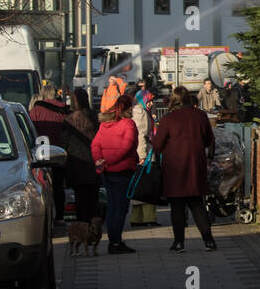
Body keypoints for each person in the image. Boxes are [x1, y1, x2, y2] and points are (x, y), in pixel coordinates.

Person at [153, 84, 216, 253]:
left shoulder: (168, 119)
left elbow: (158, 145)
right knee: (197, 204)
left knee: (177, 206)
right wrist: (208, 156)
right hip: (196, 165)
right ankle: (208, 240)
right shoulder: (200, 116)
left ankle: (179, 242)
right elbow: (209, 140)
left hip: (175, 167)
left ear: (174, 99)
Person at [90, 93, 139, 255]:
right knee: (121, 208)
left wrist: (100, 161)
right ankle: (115, 243)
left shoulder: (104, 125)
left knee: (112, 207)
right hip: (122, 172)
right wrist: (108, 161)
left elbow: (95, 145)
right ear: (127, 108)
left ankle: (114, 241)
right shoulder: (128, 124)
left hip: (106, 173)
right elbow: (126, 148)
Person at [29, 90, 69, 225]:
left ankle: (44, 217)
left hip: (42, 154)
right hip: (60, 153)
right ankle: (60, 216)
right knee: (58, 186)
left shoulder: (36, 110)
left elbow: (31, 131)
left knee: (42, 187)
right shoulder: (63, 109)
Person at [62, 88, 100, 225]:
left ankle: (82, 223)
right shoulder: (93, 117)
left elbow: (64, 142)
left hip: (75, 163)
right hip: (93, 161)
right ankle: (92, 223)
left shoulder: (68, 120)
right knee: (93, 197)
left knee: (80, 197)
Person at [127, 84, 157, 229]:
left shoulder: (134, 111)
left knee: (137, 187)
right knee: (147, 187)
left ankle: (136, 218)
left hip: (137, 155)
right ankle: (149, 218)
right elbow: (142, 136)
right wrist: (143, 156)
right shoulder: (142, 113)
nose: (151, 103)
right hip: (144, 156)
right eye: (150, 100)